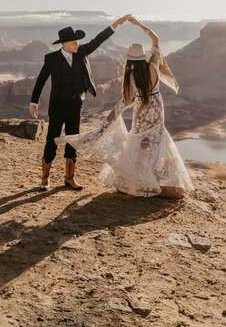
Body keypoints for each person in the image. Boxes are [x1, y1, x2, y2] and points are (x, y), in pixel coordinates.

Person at [55, 16, 194, 198]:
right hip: (156, 107)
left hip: (141, 110)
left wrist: (107, 122)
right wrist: (138, 24)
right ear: (143, 56)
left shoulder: (130, 75)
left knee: (139, 142)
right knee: (157, 140)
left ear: (129, 60)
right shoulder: (152, 65)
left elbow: (126, 101)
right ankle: (158, 179)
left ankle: (138, 180)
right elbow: (156, 39)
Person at [29, 15, 131, 191]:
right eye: (74, 42)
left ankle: (69, 178)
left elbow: (98, 40)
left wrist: (115, 24)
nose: (77, 44)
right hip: (57, 106)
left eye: (77, 42)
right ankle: (45, 179)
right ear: (64, 44)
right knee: (51, 140)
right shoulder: (51, 59)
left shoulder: (82, 52)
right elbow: (41, 80)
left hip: (76, 105)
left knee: (73, 139)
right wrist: (34, 102)